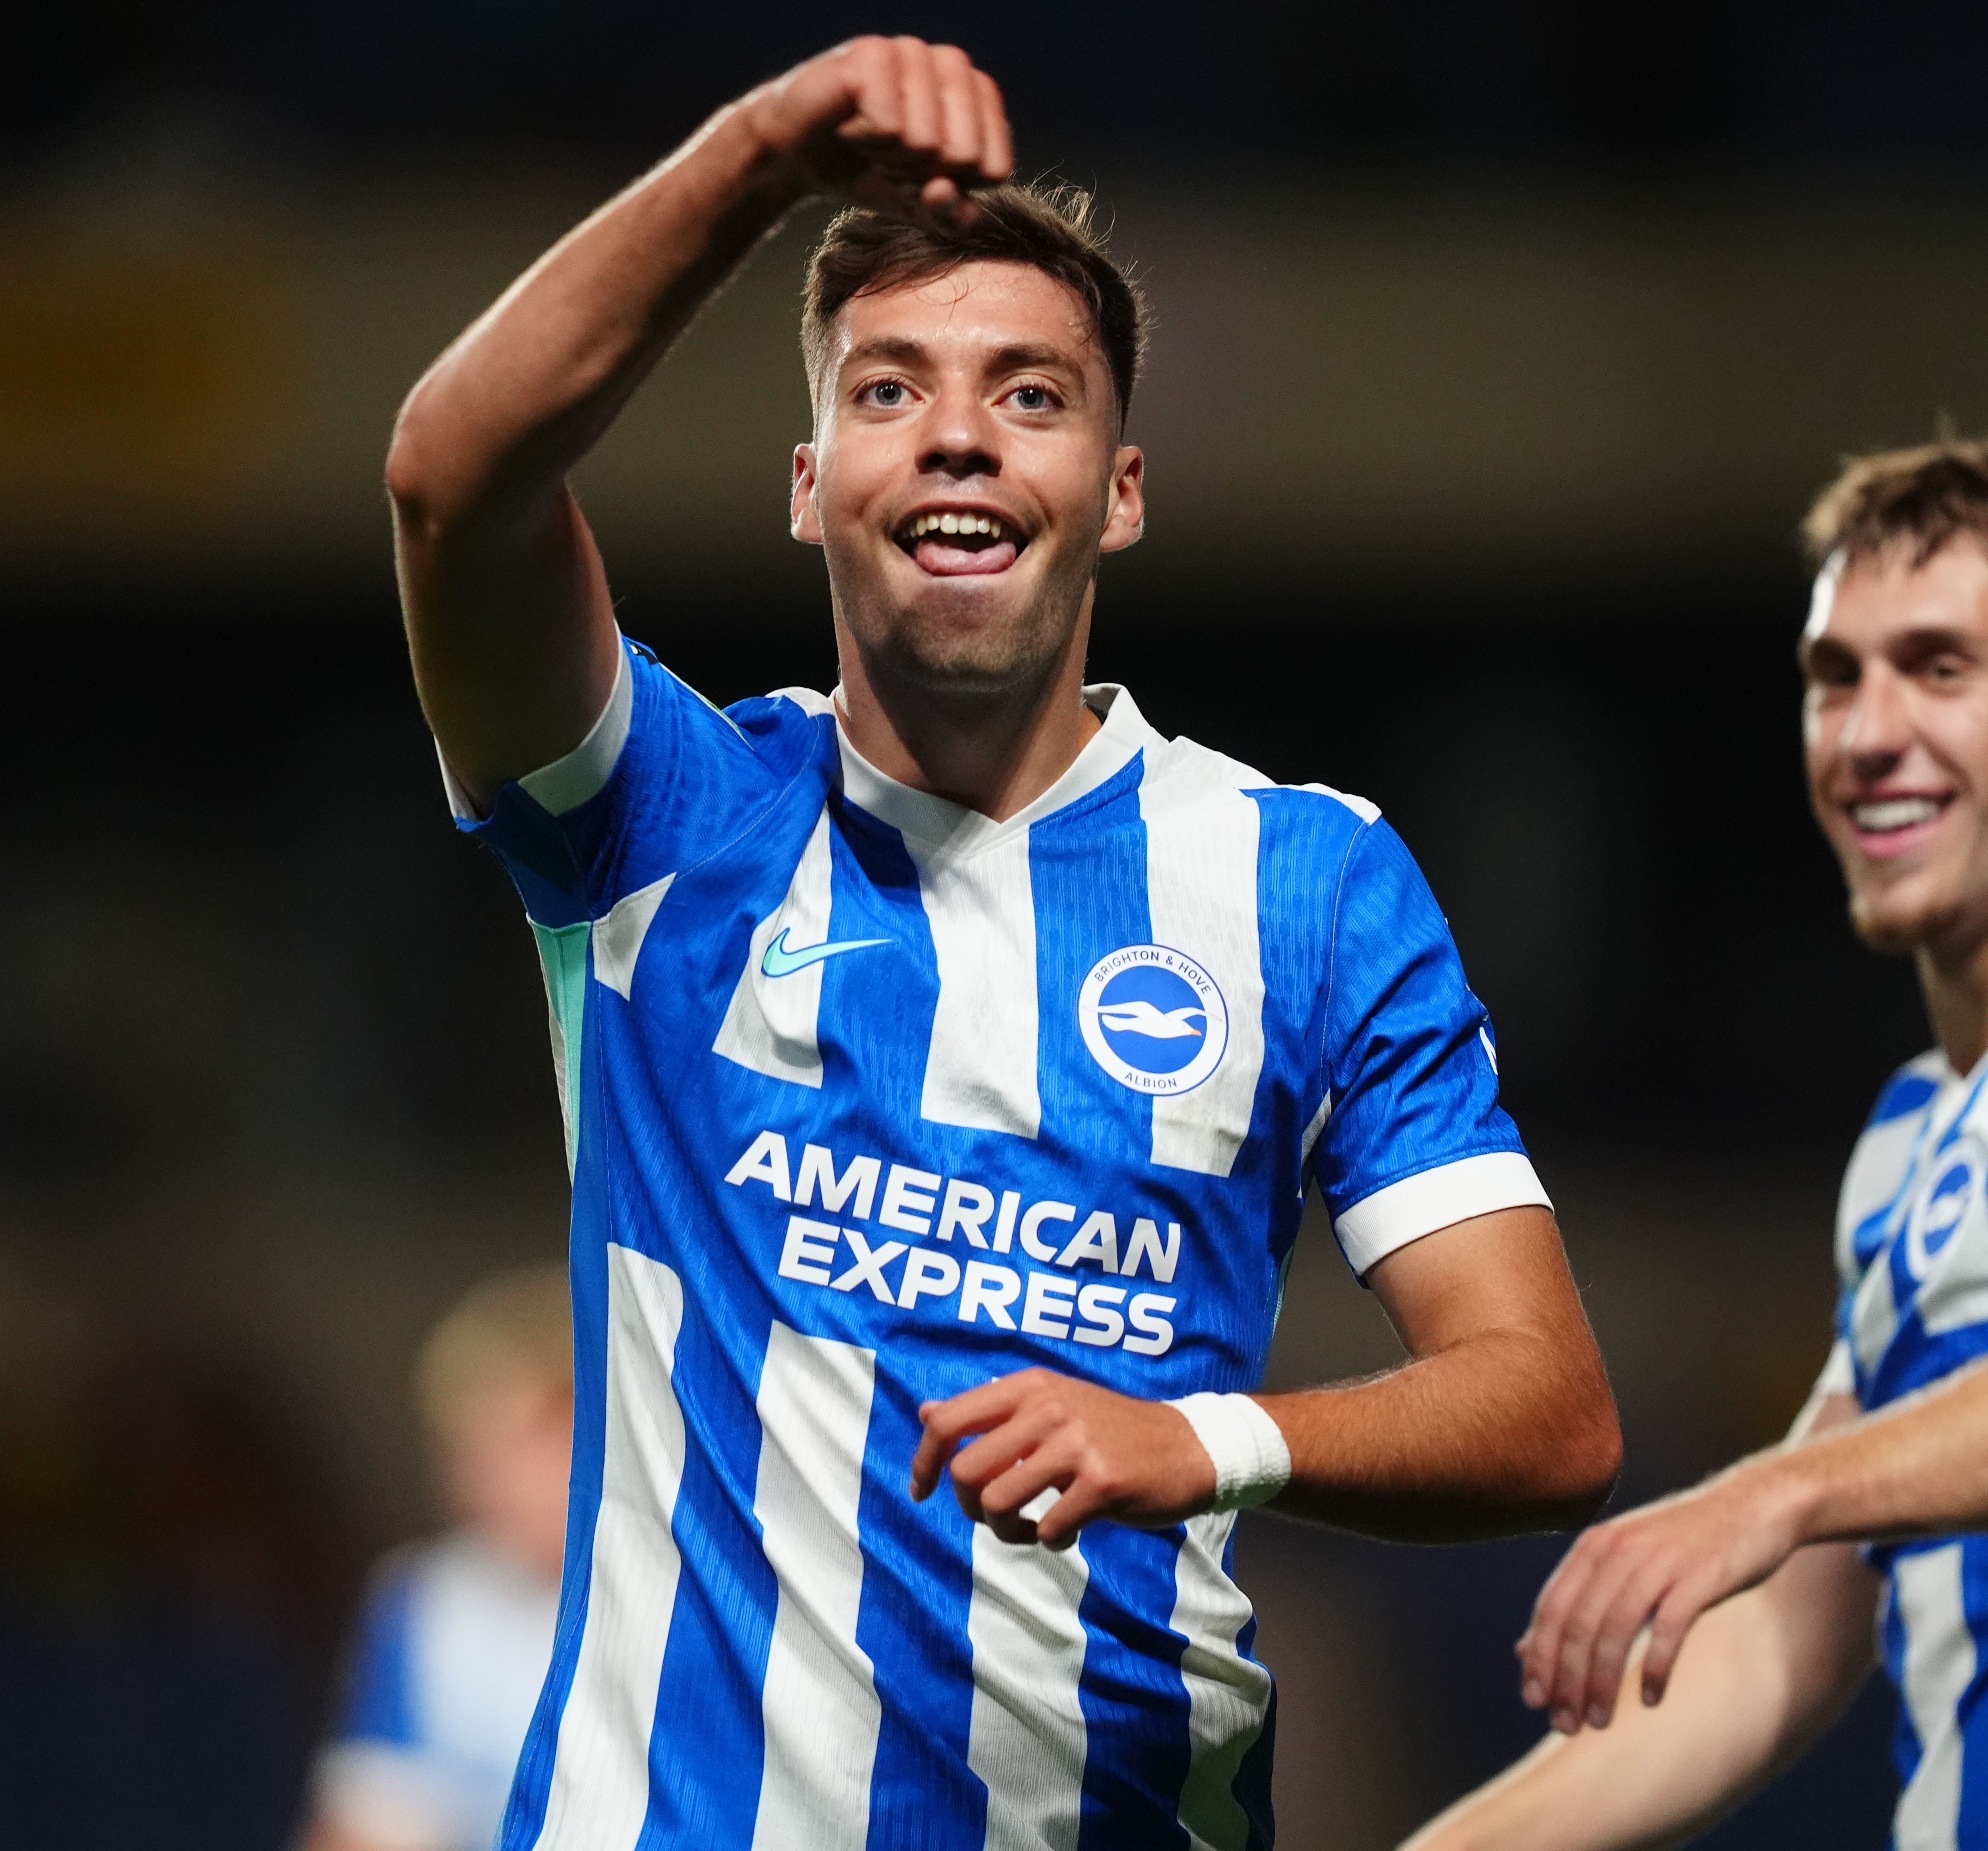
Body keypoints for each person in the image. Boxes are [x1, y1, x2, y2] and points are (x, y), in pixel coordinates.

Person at [385, 35, 1622, 1850]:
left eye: (1031, 394)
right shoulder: (661, 821)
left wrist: (1205, 1442)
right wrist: (762, 154)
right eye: (890, 389)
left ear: (1119, 490)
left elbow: (1551, 1409)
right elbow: (449, 478)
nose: (959, 431)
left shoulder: (1305, 884)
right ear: (810, 482)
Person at [1405, 441, 1988, 1850]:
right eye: (1835, 676)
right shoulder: (1912, 1129)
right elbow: (1773, 1642)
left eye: (1940, 668)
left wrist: (1770, 1491)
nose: (1865, 733)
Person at [305, 1266, 574, 1851]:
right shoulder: (429, 1599)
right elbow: (374, 1824)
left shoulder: (701, 1600)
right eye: (468, 1454)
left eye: (523, 1444)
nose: (487, 1483)